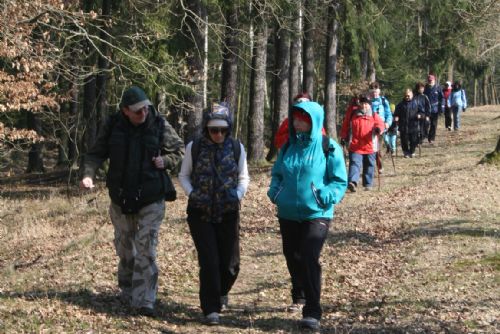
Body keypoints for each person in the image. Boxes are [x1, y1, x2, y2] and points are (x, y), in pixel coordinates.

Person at [80, 86, 185, 317]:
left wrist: (166, 161)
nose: (143, 114)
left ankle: (145, 300)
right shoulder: (113, 125)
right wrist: (88, 174)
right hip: (120, 198)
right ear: (125, 110)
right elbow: (95, 153)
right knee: (126, 248)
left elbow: (180, 151)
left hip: (151, 197)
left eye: (146, 109)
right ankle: (127, 289)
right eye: (137, 111)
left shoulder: (159, 124)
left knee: (147, 248)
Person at [267, 101, 347, 330]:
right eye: (295, 118)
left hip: (317, 212)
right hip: (288, 212)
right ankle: (299, 293)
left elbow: (339, 180)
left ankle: (312, 311)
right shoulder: (287, 148)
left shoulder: (328, 147)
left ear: (314, 121)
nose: (297, 122)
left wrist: (326, 196)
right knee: (293, 256)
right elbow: (277, 175)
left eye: (303, 118)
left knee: (309, 255)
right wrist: (275, 193)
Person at [178, 102, 250, 325]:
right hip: (200, 213)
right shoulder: (195, 147)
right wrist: (193, 194)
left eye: (222, 130)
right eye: (213, 130)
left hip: (228, 212)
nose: (218, 134)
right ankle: (210, 308)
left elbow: (243, 177)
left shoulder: (237, 148)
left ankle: (221, 291)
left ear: (228, 129)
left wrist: (237, 195)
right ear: (206, 129)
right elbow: (183, 175)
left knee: (230, 264)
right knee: (209, 261)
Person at [340, 94, 384, 191]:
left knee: (369, 165)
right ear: (360, 104)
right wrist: (343, 136)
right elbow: (345, 125)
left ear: (370, 105)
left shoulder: (373, 115)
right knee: (354, 163)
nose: (364, 106)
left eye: (366, 104)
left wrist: (378, 129)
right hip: (355, 145)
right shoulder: (353, 114)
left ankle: (368, 184)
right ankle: (352, 182)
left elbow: (380, 124)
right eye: (363, 103)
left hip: (370, 145)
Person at [369, 82, 393, 173]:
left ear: (379, 91)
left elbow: (389, 114)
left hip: (381, 129)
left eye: (376, 91)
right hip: (369, 129)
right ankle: (371, 167)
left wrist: (388, 123)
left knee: (378, 149)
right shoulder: (367, 102)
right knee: (371, 149)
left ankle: (380, 166)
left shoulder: (383, 101)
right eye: (372, 92)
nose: (374, 93)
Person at [394, 88, 424, 158]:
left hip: (413, 126)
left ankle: (412, 151)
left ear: (412, 95)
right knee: (404, 140)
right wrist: (396, 117)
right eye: (406, 96)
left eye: (408, 95)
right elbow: (396, 113)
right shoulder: (400, 105)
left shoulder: (417, 103)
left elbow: (422, 112)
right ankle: (406, 152)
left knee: (414, 140)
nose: (407, 97)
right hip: (403, 126)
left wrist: (420, 115)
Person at [423, 74, 443, 144]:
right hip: (426, 109)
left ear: (434, 80)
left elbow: (442, 98)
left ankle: (431, 138)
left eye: (431, 80)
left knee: (434, 124)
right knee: (426, 123)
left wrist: (441, 108)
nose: (430, 81)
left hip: (435, 109)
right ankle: (426, 135)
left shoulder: (438, 88)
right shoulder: (425, 88)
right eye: (429, 80)